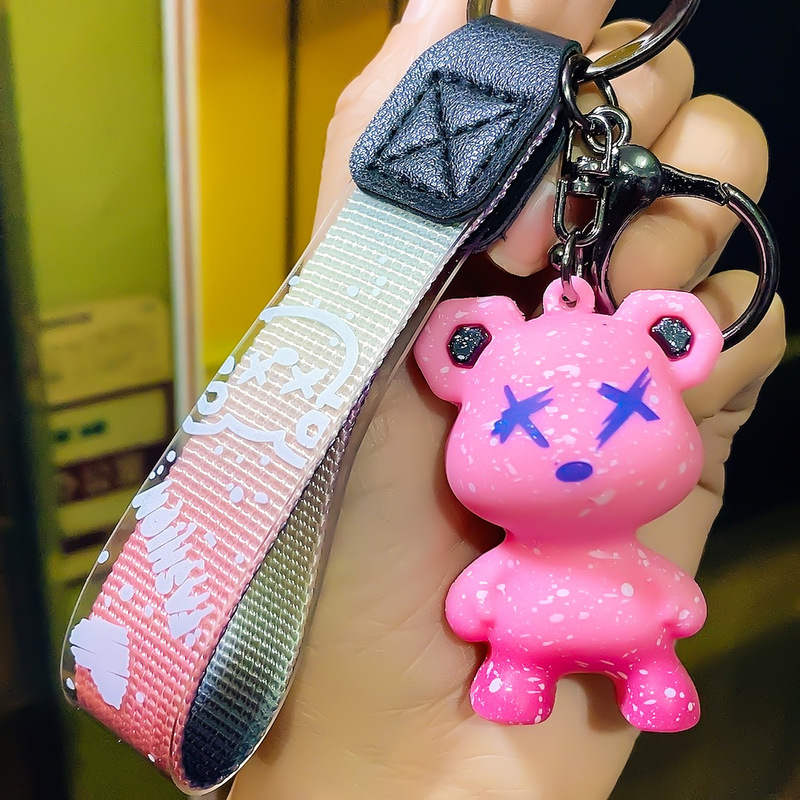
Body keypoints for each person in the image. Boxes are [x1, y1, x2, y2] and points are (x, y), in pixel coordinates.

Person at [229, 1, 785, 797]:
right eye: (527, 424)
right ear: (460, 356)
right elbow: (476, 608)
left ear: (675, 342)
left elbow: (662, 606)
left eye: (622, 416)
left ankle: (646, 677)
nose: (573, 452)